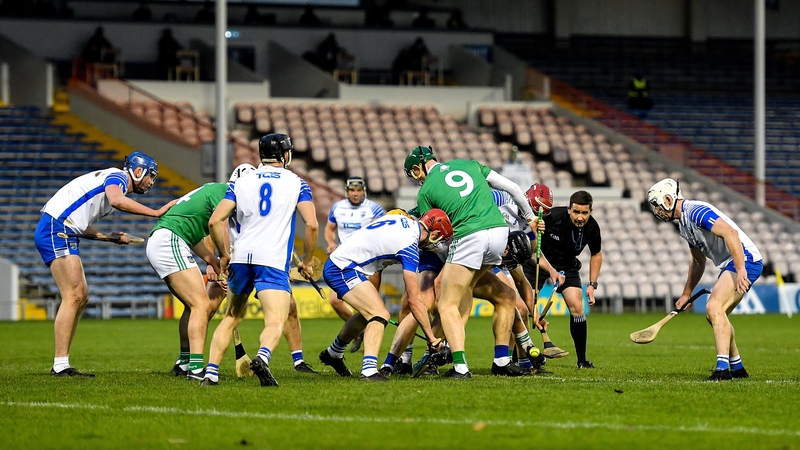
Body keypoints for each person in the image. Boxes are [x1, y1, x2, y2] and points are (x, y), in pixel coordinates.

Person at [34, 152, 176, 377]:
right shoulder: (117, 177)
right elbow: (117, 200)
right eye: (150, 175)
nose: (151, 181)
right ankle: (60, 365)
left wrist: (108, 237)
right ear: (138, 171)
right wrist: (156, 213)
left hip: (64, 228)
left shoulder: (112, 182)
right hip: (56, 228)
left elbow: (80, 225)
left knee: (81, 296)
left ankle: (63, 362)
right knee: (73, 295)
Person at [404, 145, 539, 378]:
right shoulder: (469, 163)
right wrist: (531, 216)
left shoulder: (425, 192)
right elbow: (513, 187)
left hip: (469, 236)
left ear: (417, 169)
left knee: (446, 304)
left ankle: (458, 365)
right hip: (499, 232)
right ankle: (502, 361)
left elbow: (437, 234)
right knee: (501, 295)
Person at [203, 134, 318, 387]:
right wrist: (307, 261)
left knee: (232, 317)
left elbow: (214, 221)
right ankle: (263, 358)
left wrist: (223, 255)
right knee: (275, 320)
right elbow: (311, 225)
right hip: (272, 260)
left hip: (241, 257)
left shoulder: (241, 181)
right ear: (284, 155)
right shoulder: (297, 183)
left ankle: (210, 373)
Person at [147, 165, 261, 380]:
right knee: (201, 305)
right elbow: (217, 225)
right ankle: (197, 369)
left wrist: (213, 260)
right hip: (170, 240)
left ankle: (185, 361)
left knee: (193, 306)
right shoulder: (227, 194)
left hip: (166, 239)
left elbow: (194, 235)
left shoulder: (212, 190)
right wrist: (225, 258)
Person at [646, 178, 762, 381]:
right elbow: (698, 262)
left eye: (657, 205)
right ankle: (738, 368)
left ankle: (722, 370)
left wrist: (742, 268)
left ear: (667, 199)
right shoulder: (683, 226)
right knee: (717, 315)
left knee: (714, 307)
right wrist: (686, 294)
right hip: (732, 263)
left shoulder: (695, 211)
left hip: (745, 260)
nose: (657, 211)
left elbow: (731, 233)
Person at [318, 209, 450, 381]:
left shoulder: (401, 220)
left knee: (367, 314)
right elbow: (415, 301)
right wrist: (431, 338)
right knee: (379, 314)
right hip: (342, 268)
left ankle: (333, 353)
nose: (439, 245)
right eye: (441, 239)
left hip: (343, 264)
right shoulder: (409, 247)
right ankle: (369, 371)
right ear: (435, 233)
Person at [522, 190, 602, 369]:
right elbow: (530, 235)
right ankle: (519, 358)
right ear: (569, 209)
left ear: (590, 211)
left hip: (567, 266)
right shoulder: (553, 217)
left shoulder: (593, 227)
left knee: (577, 306)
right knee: (525, 308)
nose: (580, 217)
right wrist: (535, 227)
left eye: (584, 213)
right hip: (539, 262)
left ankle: (582, 360)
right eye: (576, 212)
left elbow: (596, 254)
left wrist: (592, 285)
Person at [324, 176, 385, 351]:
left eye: (358, 190)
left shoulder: (374, 209)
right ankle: (358, 331)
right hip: (344, 260)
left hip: (368, 262)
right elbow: (329, 229)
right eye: (352, 190)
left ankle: (369, 345)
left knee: (370, 305)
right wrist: (330, 243)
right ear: (347, 191)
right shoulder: (337, 207)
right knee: (335, 301)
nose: (355, 194)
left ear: (363, 191)